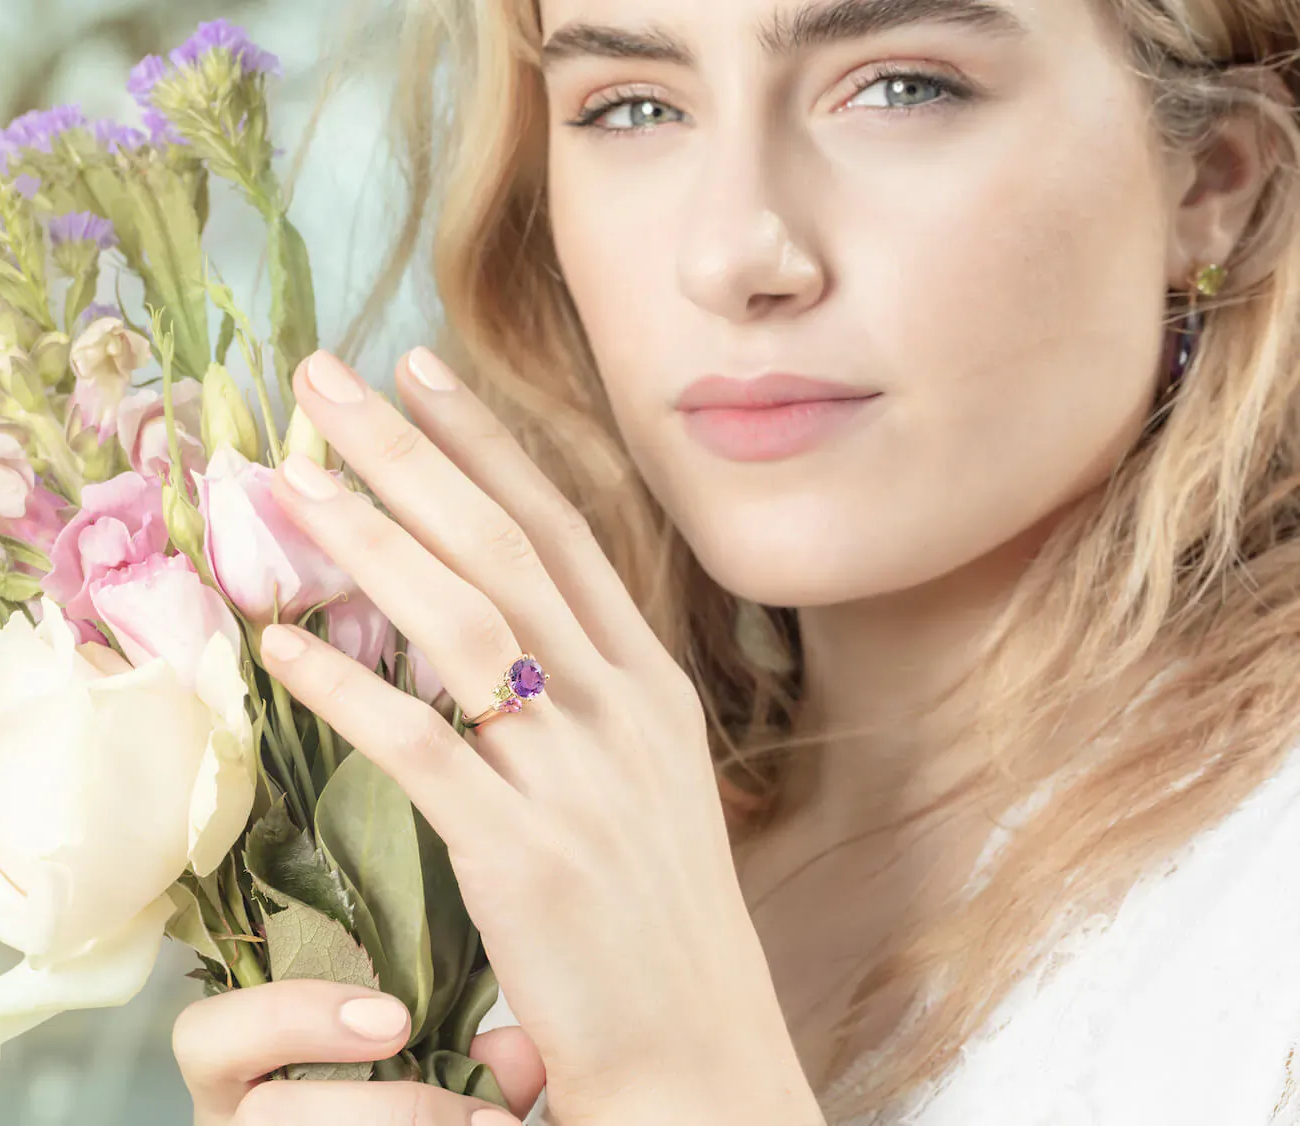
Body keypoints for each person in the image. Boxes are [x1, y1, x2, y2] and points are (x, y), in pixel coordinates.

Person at [171, 0, 1300, 1121]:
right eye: (630, 106)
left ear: (1210, 179)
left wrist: (684, 1090)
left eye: (900, 88)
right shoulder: (480, 894)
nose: (730, 257)